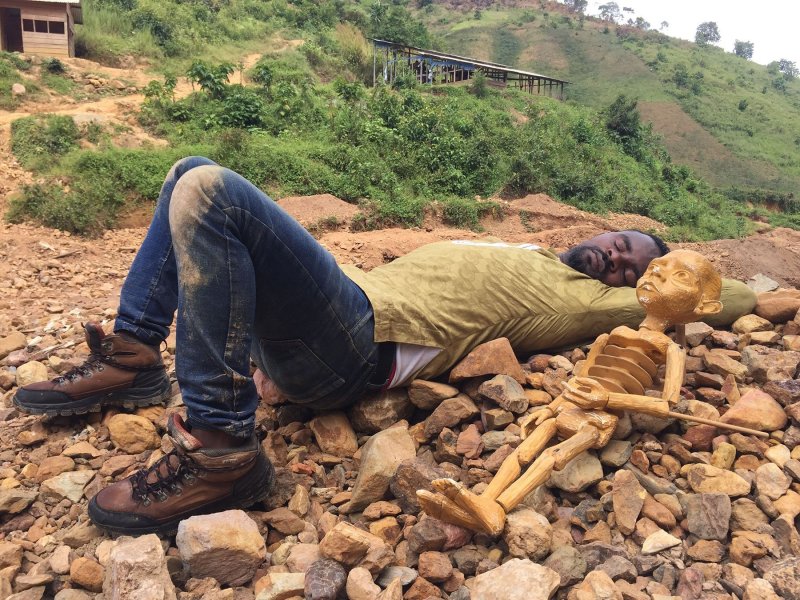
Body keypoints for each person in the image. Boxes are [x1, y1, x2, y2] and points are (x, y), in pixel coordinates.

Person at [12, 157, 756, 536]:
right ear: (598, 230)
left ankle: (220, 447)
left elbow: (728, 299)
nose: (621, 260)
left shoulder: (599, 303)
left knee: (209, 190)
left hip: (355, 340)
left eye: (640, 264)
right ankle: (135, 358)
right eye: (621, 244)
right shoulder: (529, 253)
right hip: (328, 315)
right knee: (185, 174)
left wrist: (745, 287)